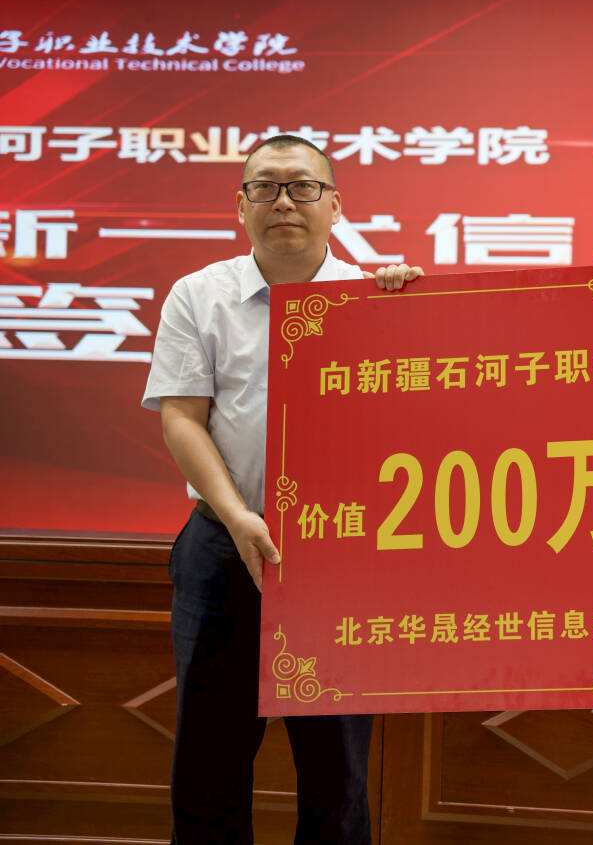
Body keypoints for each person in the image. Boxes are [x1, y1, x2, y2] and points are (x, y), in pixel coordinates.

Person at [142, 134, 422, 843]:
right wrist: (239, 517)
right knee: (209, 764)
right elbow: (182, 417)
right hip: (222, 547)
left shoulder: (377, 298)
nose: (284, 202)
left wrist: (414, 313)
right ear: (241, 206)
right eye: (264, 187)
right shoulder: (199, 295)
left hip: (340, 558)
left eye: (303, 186)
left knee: (337, 774)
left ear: (335, 205)